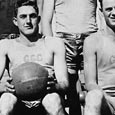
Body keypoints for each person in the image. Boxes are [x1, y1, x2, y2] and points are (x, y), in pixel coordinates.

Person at [0, 0, 69, 115]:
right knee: (6, 100)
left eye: (32, 16)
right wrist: (4, 86)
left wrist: (54, 86)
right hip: (19, 99)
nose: (28, 21)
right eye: (23, 17)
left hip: (46, 96)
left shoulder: (53, 44)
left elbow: (64, 83)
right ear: (15, 21)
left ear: (39, 19)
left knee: (52, 101)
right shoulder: (6, 45)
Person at [42, 0, 98, 115]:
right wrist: (51, 45)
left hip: (90, 36)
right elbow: (46, 19)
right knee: (67, 88)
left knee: (94, 87)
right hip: (64, 40)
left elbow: (104, 10)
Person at [83, 0, 115, 115]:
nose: (114, 13)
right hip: (106, 101)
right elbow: (90, 83)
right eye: (109, 9)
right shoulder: (92, 42)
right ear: (101, 10)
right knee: (93, 97)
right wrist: (111, 100)